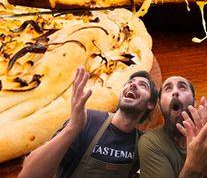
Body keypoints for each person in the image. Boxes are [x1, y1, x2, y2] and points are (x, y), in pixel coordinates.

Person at [18, 66, 158, 178]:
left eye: (142, 86)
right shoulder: (87, 120)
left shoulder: (142, 143)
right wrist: (73, 127)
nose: (132, 86)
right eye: (129, 83)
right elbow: (28, 174)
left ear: (151, 103)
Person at [139, 75, 207, 177]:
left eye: (182, 87)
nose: (175, 92)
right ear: (159, 105)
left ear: (194, 102)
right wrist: (194, 164)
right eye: (168, 88)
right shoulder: (150, 142)